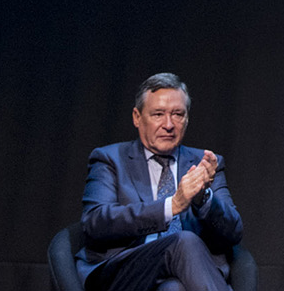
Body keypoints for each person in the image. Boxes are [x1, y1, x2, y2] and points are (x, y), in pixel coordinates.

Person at [76, 73, 244, 291]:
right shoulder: (110, 159)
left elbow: (233, 232)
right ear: (137, 117)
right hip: (124, 272)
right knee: (184, 242)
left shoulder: (205, 164)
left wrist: (203, 198)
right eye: (158, 114)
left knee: (173, 289)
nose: (168, 125)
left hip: (187, 276)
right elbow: (94, 223)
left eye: (177, 114)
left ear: (187, 119)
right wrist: (170, 207)